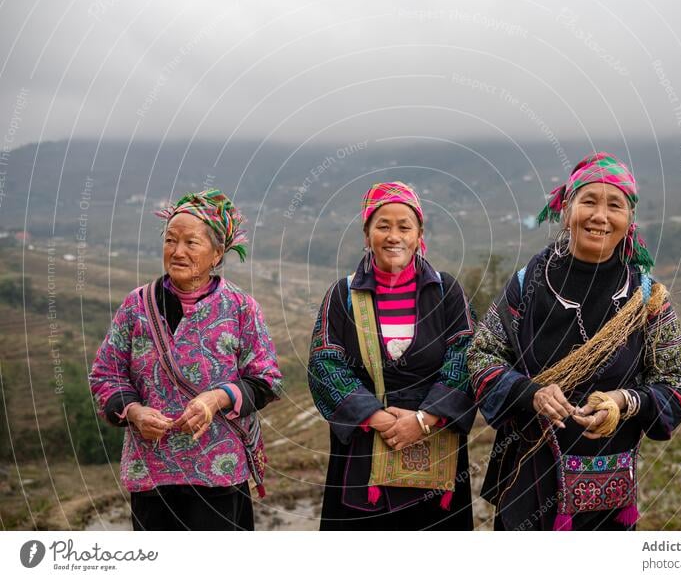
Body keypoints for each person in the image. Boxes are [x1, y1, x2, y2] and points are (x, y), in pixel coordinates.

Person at [467, 152, 681, 531]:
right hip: (529, 480)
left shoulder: (647, 298)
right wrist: (530, 394)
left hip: (609, 490)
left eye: (615, 205)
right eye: (588, 201)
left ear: (629, 221)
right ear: (566, 209)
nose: (600, 216)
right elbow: (481, 357)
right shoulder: (528, 285)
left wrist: (626, 401)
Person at [89, 189, 282, 530]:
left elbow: (266, 379)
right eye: (170, 240)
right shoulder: (137, 306)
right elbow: (106, 373)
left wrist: (216, 398)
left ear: (217, 253)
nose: (177, 251)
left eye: (191, 243)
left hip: (218, 473)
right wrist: (134, 412)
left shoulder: (240, 308)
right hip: (153, 475)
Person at [308, 181, 476, 530]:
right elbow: (325, 364)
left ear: (419, 235)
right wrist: (380, 419)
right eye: (382, 226)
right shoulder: (342, 295)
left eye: (404, 226)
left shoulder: (446, 292)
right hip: (363, 451)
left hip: (435, 448)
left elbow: (466, 356)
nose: (393, 236)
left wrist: (423, 419)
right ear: (367, 234)